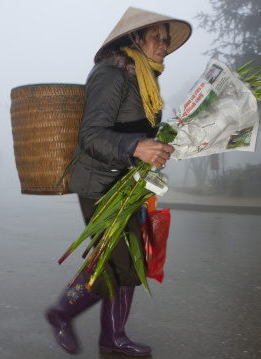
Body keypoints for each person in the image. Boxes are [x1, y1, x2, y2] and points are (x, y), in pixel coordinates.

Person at [44, 7, 191, 356]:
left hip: (127, 183)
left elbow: (137, 131)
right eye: (157, 37)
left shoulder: (145, 78)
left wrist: (161, 141)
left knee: (129, 261)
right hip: (98, 183)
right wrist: (136, 145)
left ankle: (113, 336)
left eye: (167, 40)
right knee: (117, 263)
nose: (164, 45)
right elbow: (90, 135)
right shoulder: (112, 73)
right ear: (136, 38)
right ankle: (61, 311)